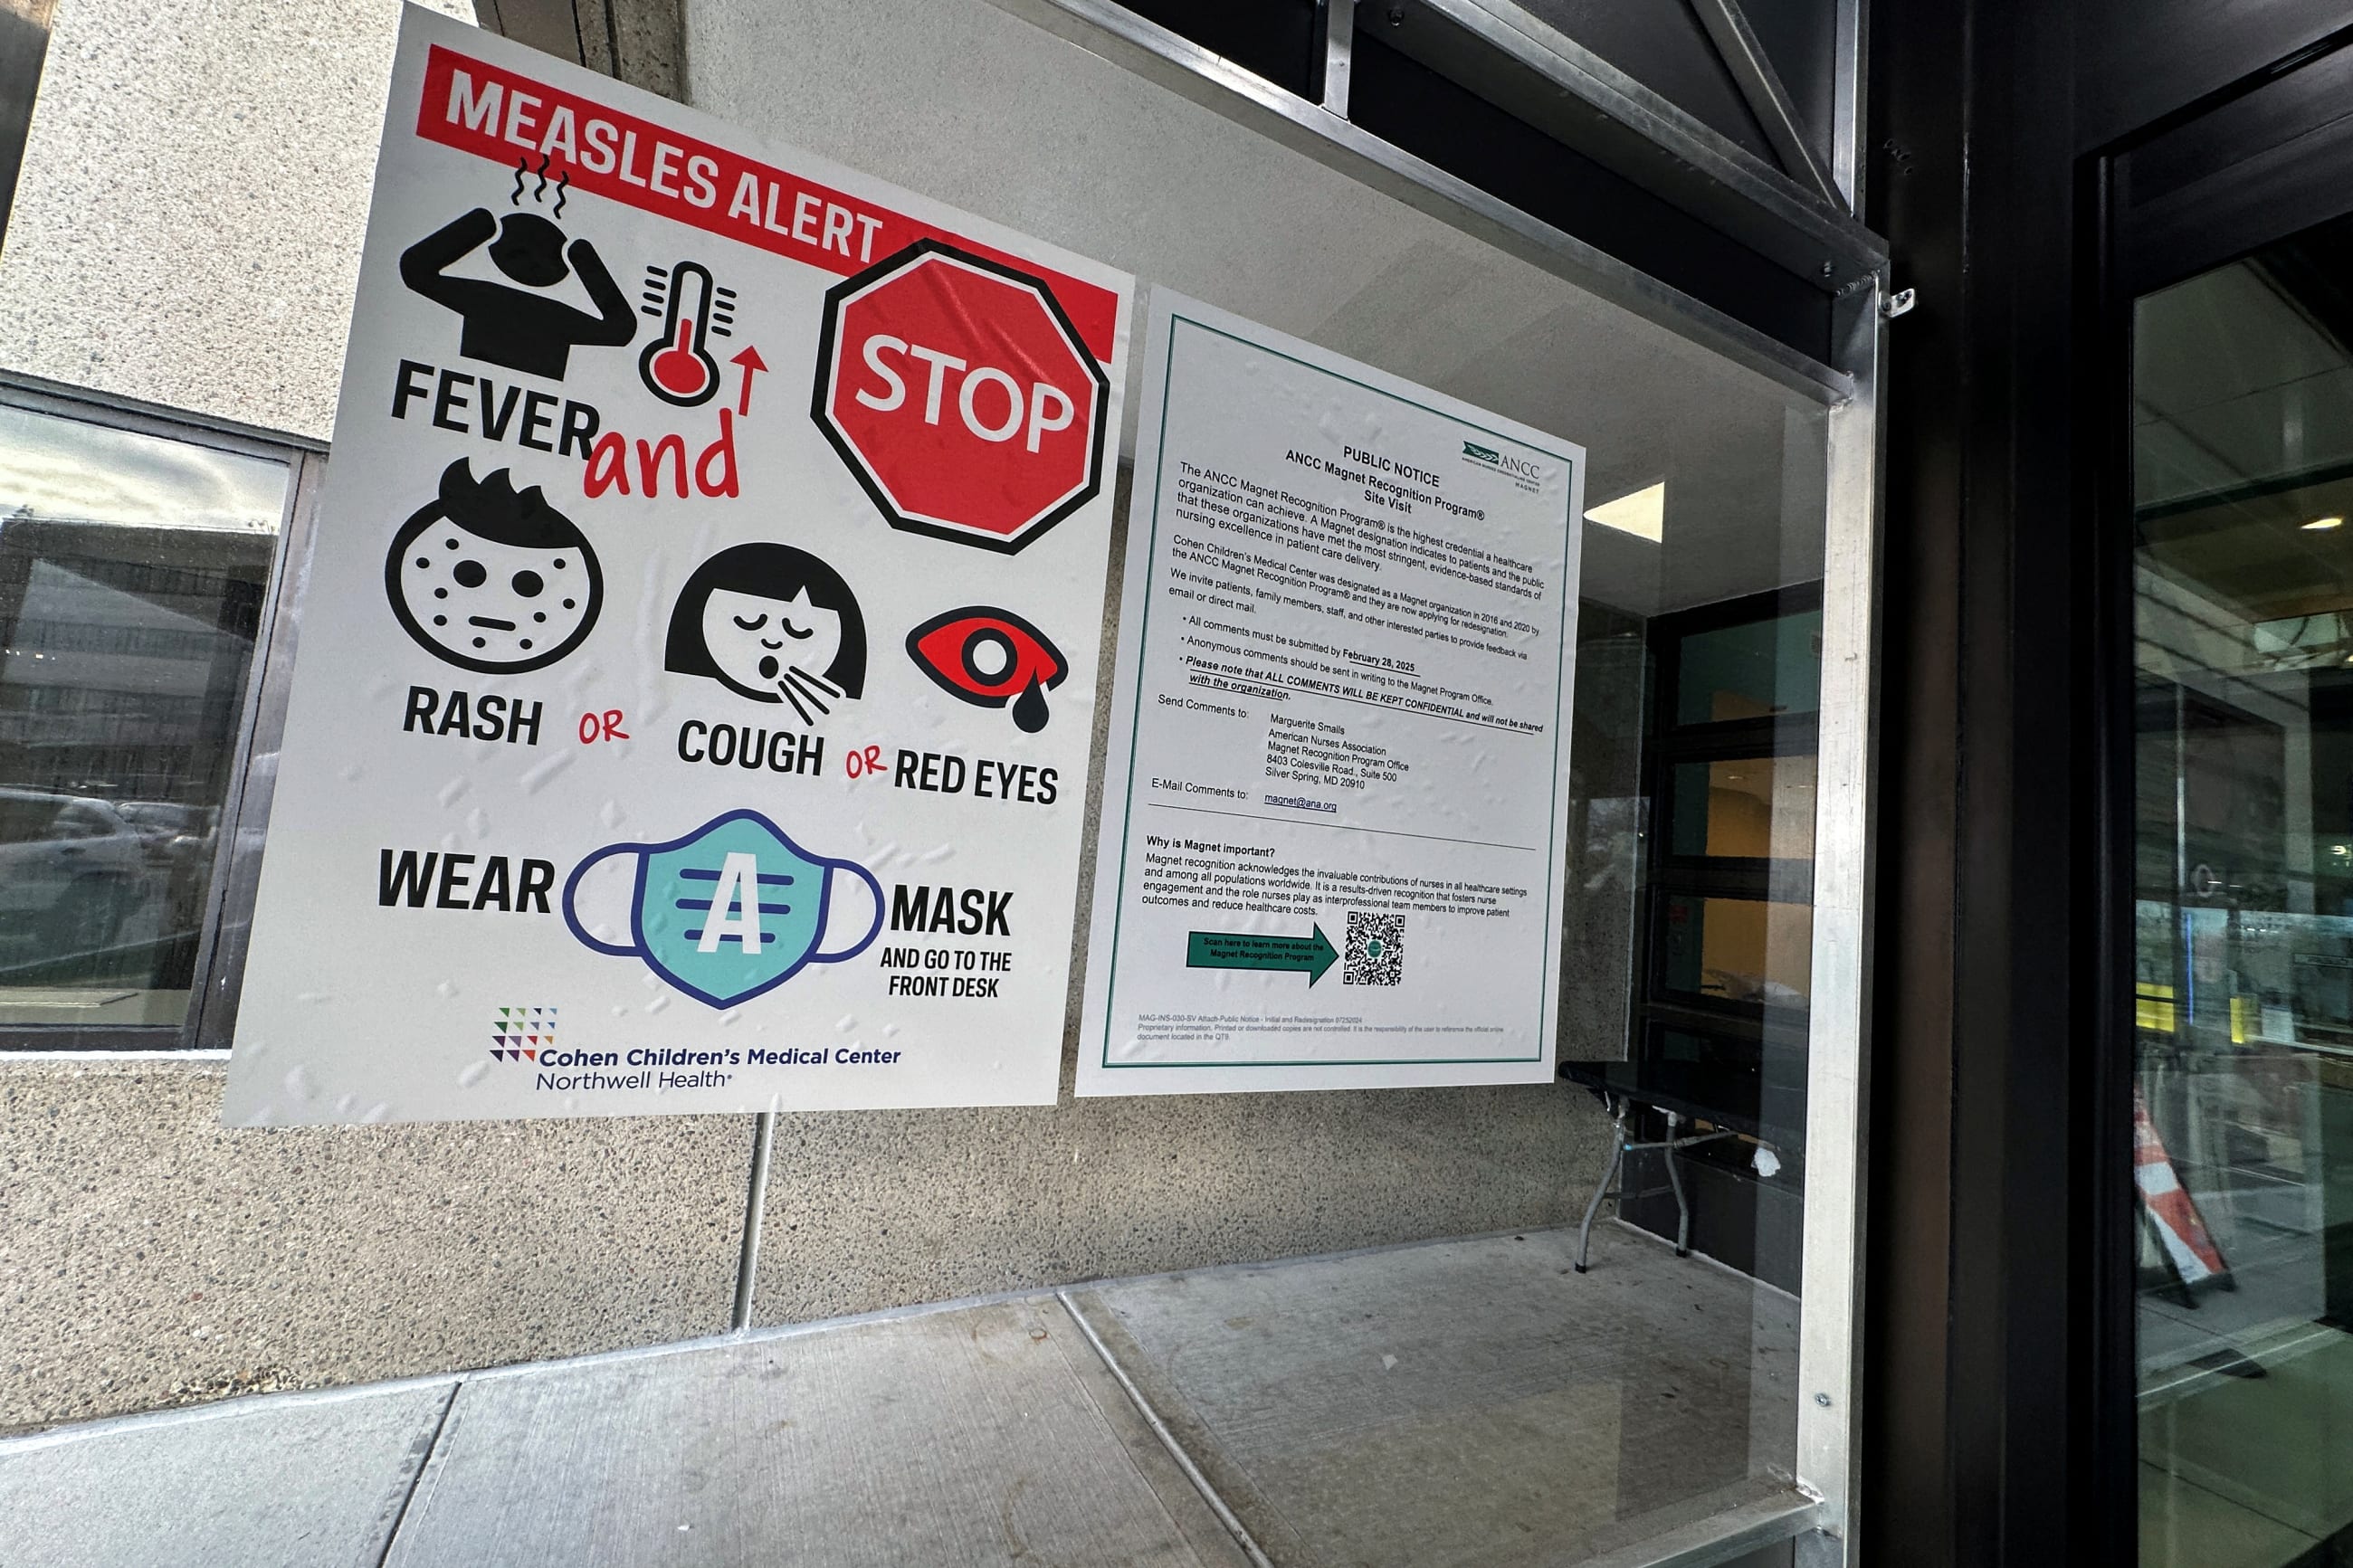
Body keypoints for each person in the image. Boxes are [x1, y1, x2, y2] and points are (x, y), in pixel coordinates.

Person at [400, 209, 637, 380]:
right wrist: (581, 256)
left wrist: (479, 225)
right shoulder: (556, 318)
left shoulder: (482, 299)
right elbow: (620, 329)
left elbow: (416, 270)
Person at [665, 544, 868, 726]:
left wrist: (837, 723)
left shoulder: (834, 709)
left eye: (798, 630)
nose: (772, 640)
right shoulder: (682, 695)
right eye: (749, 621)